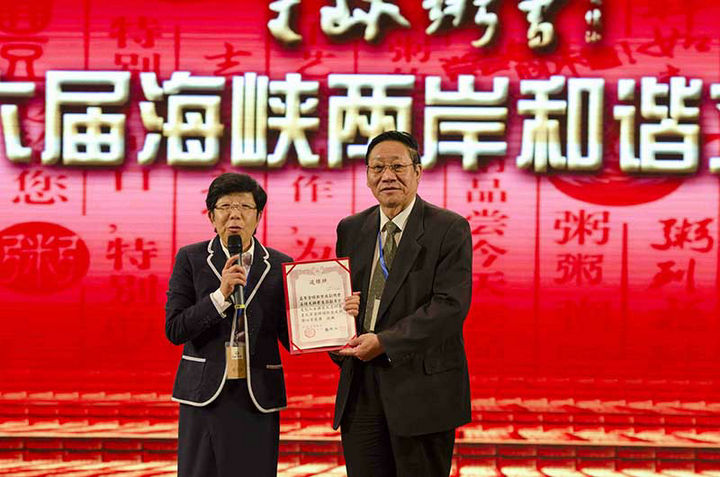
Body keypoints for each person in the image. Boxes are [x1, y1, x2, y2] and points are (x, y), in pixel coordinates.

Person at [334, 130, 473, 477]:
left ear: (417, 171)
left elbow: (450, 306)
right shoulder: (351, 229)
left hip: (421, 390)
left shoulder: (448, 228)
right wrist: (335, 332)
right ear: (367, 175)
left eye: (397, 166)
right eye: (377, 167)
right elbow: (345, 299)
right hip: (361, 389)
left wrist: (384, 342)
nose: (388, 176)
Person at [165, 172, 292, 477]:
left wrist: (335, 321)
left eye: (244, 207)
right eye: (225, 206)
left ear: (258, 216)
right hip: (203, 394)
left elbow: (291, 336)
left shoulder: (279, 265)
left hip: (257, 395)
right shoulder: (191, 258)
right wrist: (220, 296)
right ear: (211, 216)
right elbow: (175, 329)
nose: (235, 214)